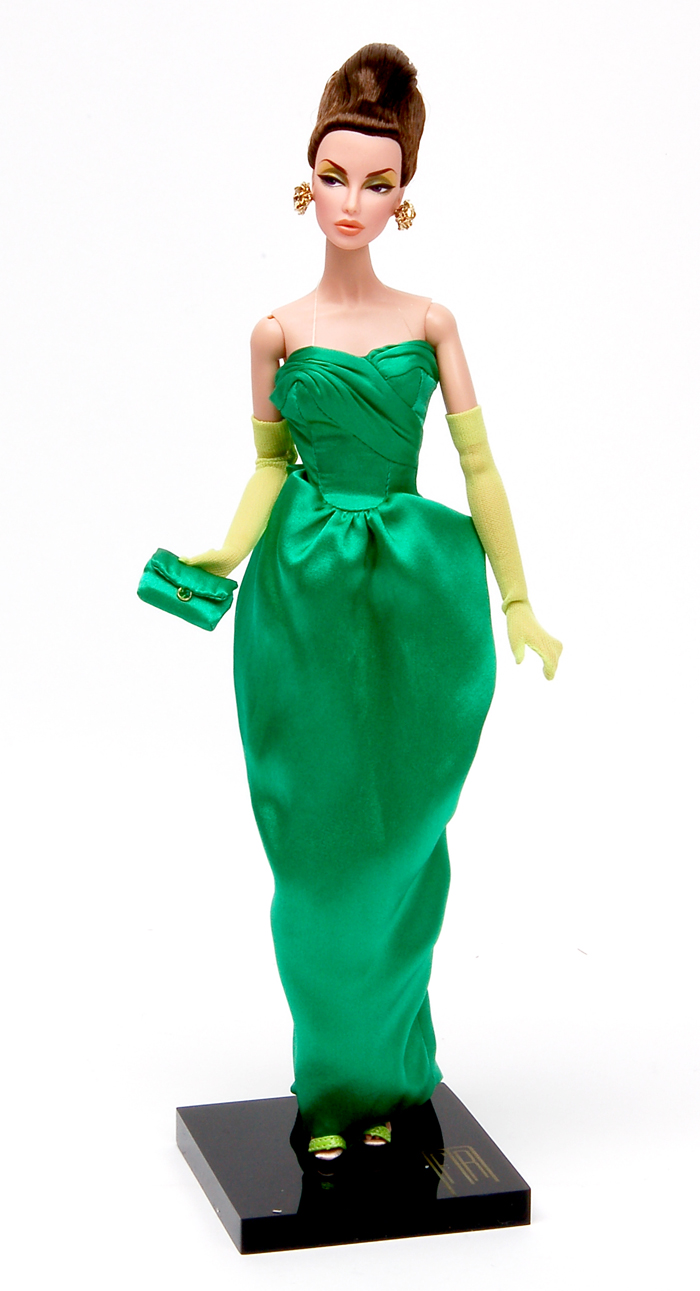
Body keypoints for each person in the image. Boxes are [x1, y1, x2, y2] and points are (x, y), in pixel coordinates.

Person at [181, 43, 562, 1164]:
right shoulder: (275, 331)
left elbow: (479, 466)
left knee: (401, 843)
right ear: (307, 181)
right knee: (312, 854)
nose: (354, 202)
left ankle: (391, 1076)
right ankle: (331, 1083)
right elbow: (267, 466)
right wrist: (225, 549)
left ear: (406, 196)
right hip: (301, 594)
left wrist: (518, 598)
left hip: (412, 594)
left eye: (378, 182)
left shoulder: (431, 322)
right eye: (335, 176)